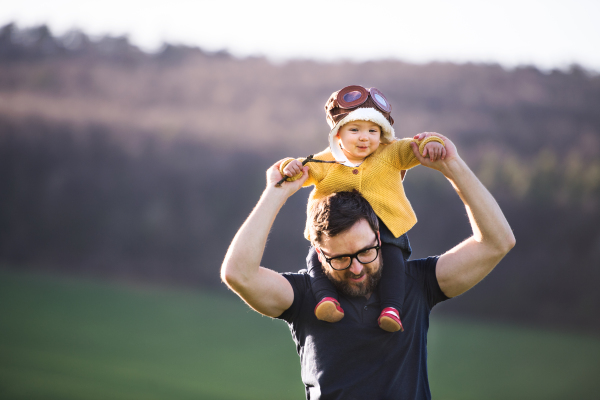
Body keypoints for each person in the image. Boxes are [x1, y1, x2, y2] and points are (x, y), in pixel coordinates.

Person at [220, 133, 515, 400]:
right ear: (319, 254)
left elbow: (497, 242)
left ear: (378, 237)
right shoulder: (304, 296)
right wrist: (276, 192)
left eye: (366, 253)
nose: (357, 268)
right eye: (340, 259)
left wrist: (453, 167)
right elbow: (238, 273)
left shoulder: (416, 284)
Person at [279, 85, 446, 332]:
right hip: (335, 230)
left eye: (372, 130)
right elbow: (301, 169)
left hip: (386, 224)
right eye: (354, 130)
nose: (364, 137)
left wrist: (432, 143)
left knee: (393, 260)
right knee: (317, 256)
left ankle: (392, 308)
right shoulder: (327, 159)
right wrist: (288, 166)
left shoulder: (391, 152)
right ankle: (326, 299)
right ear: (338, 135)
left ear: (382, 134)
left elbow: (416, 146)